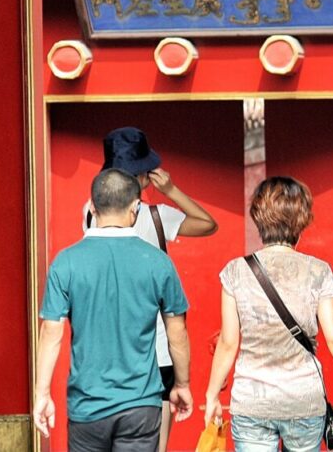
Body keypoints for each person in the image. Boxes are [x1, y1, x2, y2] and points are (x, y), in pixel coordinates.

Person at [203, 176, 333, 452]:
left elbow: (228, 342)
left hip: (252, 401)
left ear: (258, 218)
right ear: (302, 220)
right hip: (303, 401)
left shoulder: (235, 271)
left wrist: (212, 395)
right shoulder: (318, 271)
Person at [34, 169, 193, 450]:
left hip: (87, 405)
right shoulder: (157, 262)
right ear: (135, 207)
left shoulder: (66, 262)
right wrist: (182, 385)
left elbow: (51, 332)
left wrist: (42, 393)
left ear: (92, 207)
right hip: (141, 405)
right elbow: (176, 330)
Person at [82, 127, 218, 452]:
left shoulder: (90, 213)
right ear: (143, 176)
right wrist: (171, 189)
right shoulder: (158, 217)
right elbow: (207, 223)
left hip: (108, 352)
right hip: (157, 354)